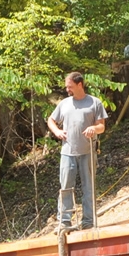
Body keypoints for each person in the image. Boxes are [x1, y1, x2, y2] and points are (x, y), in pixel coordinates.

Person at [46, 71, 108, 230]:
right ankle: (64, 222)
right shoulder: (64, 104)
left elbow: (101, 126)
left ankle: (88, 222)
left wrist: (93, 128)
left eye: (70, 86)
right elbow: (51, 120)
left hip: (87, 152)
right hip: (67, 153)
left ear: (80, 85)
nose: (67, 90)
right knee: (66, 187)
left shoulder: (94, 103)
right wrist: (57, 132)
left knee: (88, 188)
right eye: (67, 87)